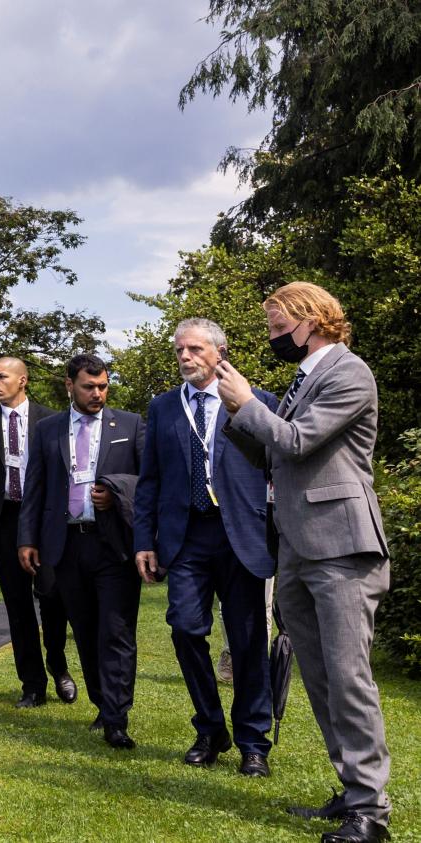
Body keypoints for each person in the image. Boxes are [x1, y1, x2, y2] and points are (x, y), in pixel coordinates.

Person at [218, 282, 391, 843]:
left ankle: (370, 813)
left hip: (341, 546)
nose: (271, 336)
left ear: (311, 319)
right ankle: (352, 791)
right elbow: (274, 455)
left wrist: (248, 404)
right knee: (319, 678)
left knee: (348, 678)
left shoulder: (348, 372)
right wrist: (237, 415)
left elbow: (297, 441)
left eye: (276, 326)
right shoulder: (306, 377)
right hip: (297, 548)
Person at [132, 318, 276, 777]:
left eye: (195, 349)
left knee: (248, 641)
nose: (185, 357)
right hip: (186, 537)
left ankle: (254, 742)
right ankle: (210, 728)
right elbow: (149, 480)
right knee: (185, 629)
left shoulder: (256, 402)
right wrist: (144, 540)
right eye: (180, 350)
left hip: (241, 537)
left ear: (220, 352)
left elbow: (277, 474)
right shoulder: (163, 408)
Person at [19, 353, 144, 749]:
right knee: (86, 631)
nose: (98, 393)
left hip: (113, 545)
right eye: (89, 386)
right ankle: (102, 703)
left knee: (117, 630)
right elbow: (34, 487)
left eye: (103, 386)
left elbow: (149, 480)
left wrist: (118, 491)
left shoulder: (130, 424)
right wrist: (27, 538)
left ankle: (116, 717)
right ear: (69, 384)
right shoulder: (48, 430)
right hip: (66, 544)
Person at [0, 357, 77, 707]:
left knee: (53, 598)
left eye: (2, 376)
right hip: (4, 520)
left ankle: (58, 665)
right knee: (18, 606)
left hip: (46, 519)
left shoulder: (52, 420)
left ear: (22, 380)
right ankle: (33, 684)